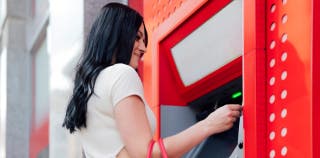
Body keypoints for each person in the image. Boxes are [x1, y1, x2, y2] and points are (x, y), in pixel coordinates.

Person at [62, 2, 242, 158]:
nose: (143, 48)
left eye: (144, 40)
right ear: (117, 35)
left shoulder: (90, 88)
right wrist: (209, 124)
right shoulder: (121, 74)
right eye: (137, 37)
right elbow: (147, 154)